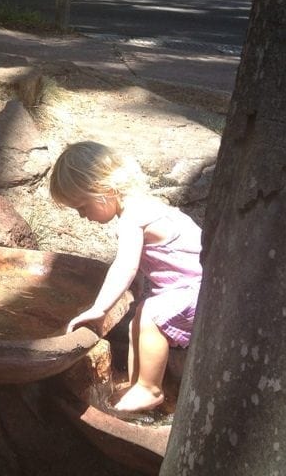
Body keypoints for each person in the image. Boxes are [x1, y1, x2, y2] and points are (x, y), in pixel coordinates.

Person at [49, 141, 203, 413]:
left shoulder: (135, 216)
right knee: (138, 321)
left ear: (103, 191)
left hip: (199, 290)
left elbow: (125, 266)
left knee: (150, 315)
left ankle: (149, 389)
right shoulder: (142, 207)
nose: (82, 216)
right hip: (187, 286)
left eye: (82, 207)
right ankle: (138, 385)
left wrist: (99, 309)